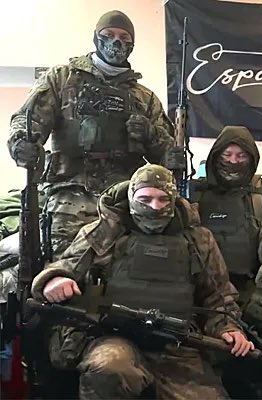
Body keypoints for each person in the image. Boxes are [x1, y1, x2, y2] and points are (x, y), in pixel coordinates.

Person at [29, 164, 254, 399]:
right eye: (145, 199)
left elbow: (218, 296)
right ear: (131, 199)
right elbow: (64, 267)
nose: (154, 207)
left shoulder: (198, 240)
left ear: (174, 200)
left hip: (176, 345)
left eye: (163, 199)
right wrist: (54, 280)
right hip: (113, 338)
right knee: (109, 368)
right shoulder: (104, 233)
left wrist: (229, 329)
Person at [7, 10, 174, 260]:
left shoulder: (145, 98)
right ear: (96, 37)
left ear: (132, 44)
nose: (116, 41)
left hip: (123, 199)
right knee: (62, 266)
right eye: (109, 34)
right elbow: (28, 120)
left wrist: (150, 134)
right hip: (69, 193)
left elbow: (170, 156)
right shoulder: (61, 79)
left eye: (124, 37)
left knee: (120, 266)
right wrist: (21, 143)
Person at [190, 125, 262, 352]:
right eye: (227, 155)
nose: (233, 161)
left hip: (247, 286)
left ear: (251, 159)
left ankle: (258, 368)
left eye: (241, 156)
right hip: (204, 289)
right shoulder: (193, 194)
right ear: (215, 156)